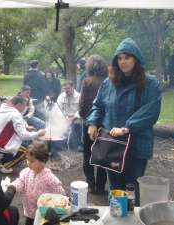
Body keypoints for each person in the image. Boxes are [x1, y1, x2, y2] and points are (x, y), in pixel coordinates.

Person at [86, 38, 161, 205]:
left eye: (127, 57)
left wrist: (127, 127)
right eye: (119, 58)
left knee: (132, 186)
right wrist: (92, 123)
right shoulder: (109, 83)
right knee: (115, 187)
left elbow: (150, 111)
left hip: (137, 145)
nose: (123, 62)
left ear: (136, 58)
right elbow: (98, 106)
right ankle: (117, 218)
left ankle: (131, 219)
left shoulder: (150, 83)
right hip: (112, 144)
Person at [0, 96, 45, 174]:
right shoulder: (15, 114)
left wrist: (26, 127)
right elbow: (24, 136)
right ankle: (4, 166)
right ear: (19, 104)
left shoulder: (4, 108)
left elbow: (10, 124)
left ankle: (1, 161)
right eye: (24, 106)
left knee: (25, 143)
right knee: (28, 151)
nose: (24, 108)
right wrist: (39, 133)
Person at [12, 142, 65, 225]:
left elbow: (61, 194)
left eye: (32, 161)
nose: (28, 163)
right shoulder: (26, 172)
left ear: (43, 160)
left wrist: (53, 208)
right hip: (29, 212)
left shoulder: (50, 178)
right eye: (27, 159)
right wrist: (13, 187)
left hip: (43, 215)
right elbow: (20, 182)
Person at [79, 55, 108, 194]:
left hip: (89, 124)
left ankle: (91, 185)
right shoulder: (108, 82)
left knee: (87, 153)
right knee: (102, 154)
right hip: (104, 123)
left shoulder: (87, 82)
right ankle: (101, 186)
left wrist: (82, 116)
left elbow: (83, 104)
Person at [57, 80, 81, 150]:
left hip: (77, 118)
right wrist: (65, 117)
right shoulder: (61, 96)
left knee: (78, 124)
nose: (66, 91)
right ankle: (62, 142)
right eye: (65, 89)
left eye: (68, 88)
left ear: (73, 87)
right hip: (65, 118)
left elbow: (82, 110)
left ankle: (80, 144)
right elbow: (58, 109)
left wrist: (74, 117)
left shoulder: (79, 96)